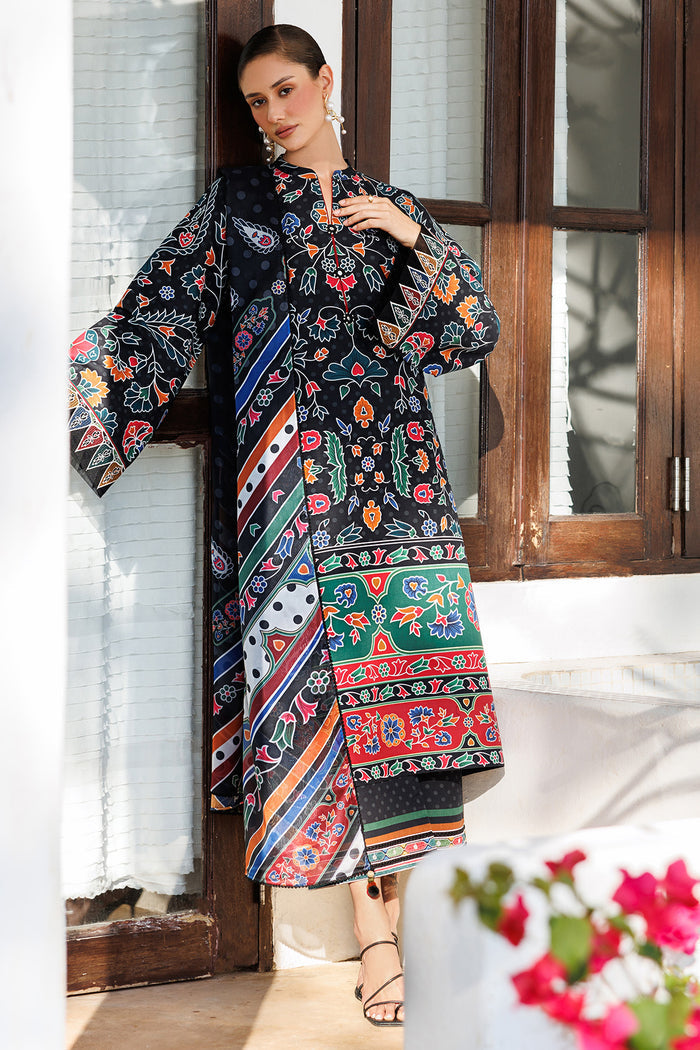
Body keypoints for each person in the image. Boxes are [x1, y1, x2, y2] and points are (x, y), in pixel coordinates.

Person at [68, 23, 504, 1027]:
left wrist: (413, 239)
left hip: (397, 498)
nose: (272, 114)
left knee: (402, 714)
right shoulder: (239, 209)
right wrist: (76, 389)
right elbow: (158, 312)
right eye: (256, 101)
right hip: (288, 497)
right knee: (322, 706)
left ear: (325, 81)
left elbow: (466, 331)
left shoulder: (392, 209)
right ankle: (374, 937)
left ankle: (407, 929)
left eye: (285, 91)